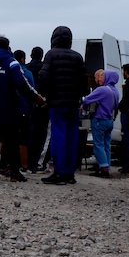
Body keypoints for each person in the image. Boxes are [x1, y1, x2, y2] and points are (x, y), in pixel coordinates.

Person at [0, 37, 44, 182]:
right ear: (8, 48)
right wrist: (36, 97)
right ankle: (15, 173)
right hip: (7, 108)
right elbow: (22, 83)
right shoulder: (11, 62)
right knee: (11, 141)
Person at [37, 26, 86, 185]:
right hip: (73, 103)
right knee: (72, 137)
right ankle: (70, 173)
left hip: (56, 102)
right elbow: (84, 83)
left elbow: (43, 76)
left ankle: (59, 173)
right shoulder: (77, 57)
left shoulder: (51, 55)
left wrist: (45, 93)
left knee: (58, 136)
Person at [81, 69, 119, 178]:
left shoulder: (102, 90)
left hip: (99, 119)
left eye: (104, 75)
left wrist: (83, 106)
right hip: (109, 121)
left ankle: (103, 168)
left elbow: (87, 99)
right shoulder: (115, 91)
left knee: (98, 145)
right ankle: (106, 166)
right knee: (107, 145)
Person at [25, 46, 50, 173]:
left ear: (30, 55)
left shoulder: (27, 69)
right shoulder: (45, 69)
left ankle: (26, 162)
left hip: (29, 104)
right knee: (41, 135)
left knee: (27, 134)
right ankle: (36, 163)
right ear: (42, 56)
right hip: (43, 105)